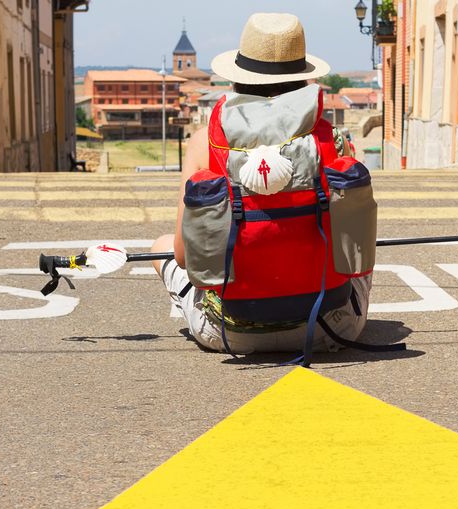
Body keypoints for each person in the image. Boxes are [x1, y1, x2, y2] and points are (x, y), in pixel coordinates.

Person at [151, 13, 387, 364]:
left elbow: (187, 258)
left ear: (238, 78)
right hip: (331, 327)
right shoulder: (330, 140)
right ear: (302, 78)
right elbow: (354, 245)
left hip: (227, 333)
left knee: (162, 248)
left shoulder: (205, 143)